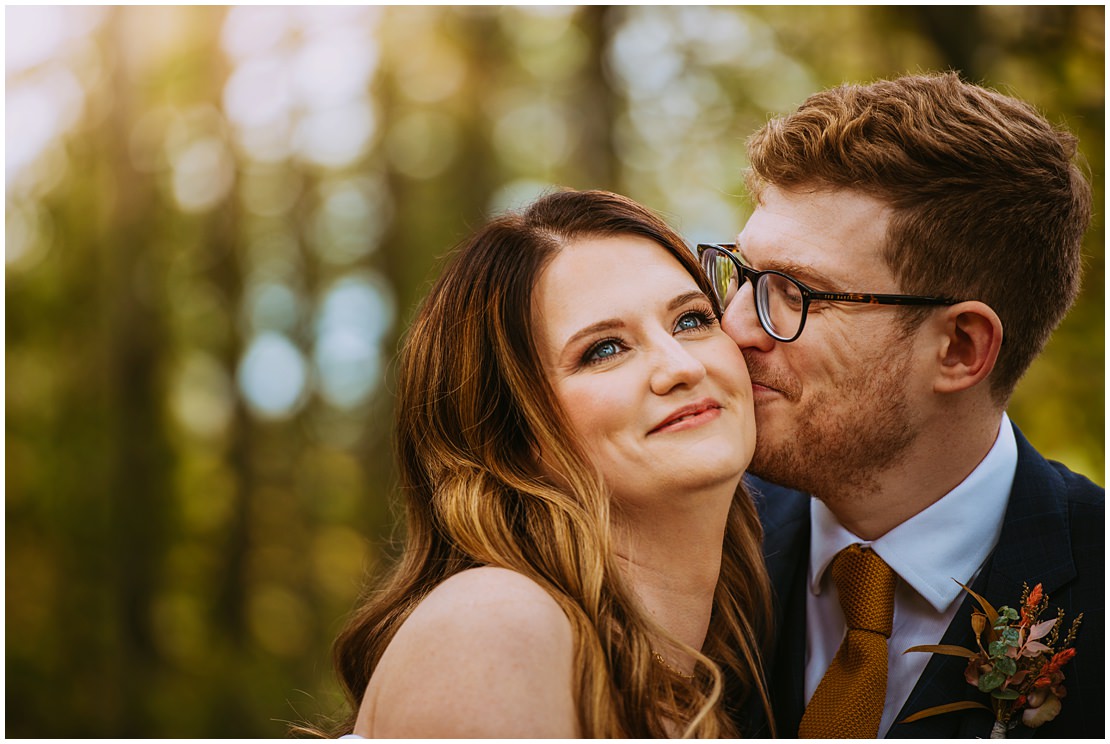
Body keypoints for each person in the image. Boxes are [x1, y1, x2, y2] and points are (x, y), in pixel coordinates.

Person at [699, 71, 1103, 738]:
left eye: (795, 293)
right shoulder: (696, 538)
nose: (734, 328)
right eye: (741, 276)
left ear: (960, 348)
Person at [328, 189, 775, 738]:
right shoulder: (493, 626)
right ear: (513, 439)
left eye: (691, 320)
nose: (680, 366)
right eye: (604, 350)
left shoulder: (708, 666)